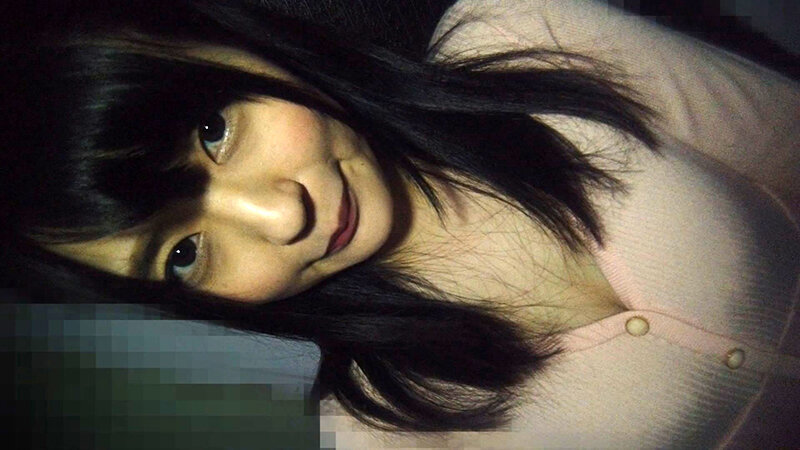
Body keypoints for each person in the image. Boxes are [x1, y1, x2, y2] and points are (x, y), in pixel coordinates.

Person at [1, 0, 798, 448]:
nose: (281, 214)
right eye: (182, 254)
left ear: (229, 47)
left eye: (214, 131)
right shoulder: (382, 434)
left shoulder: (526, 35)